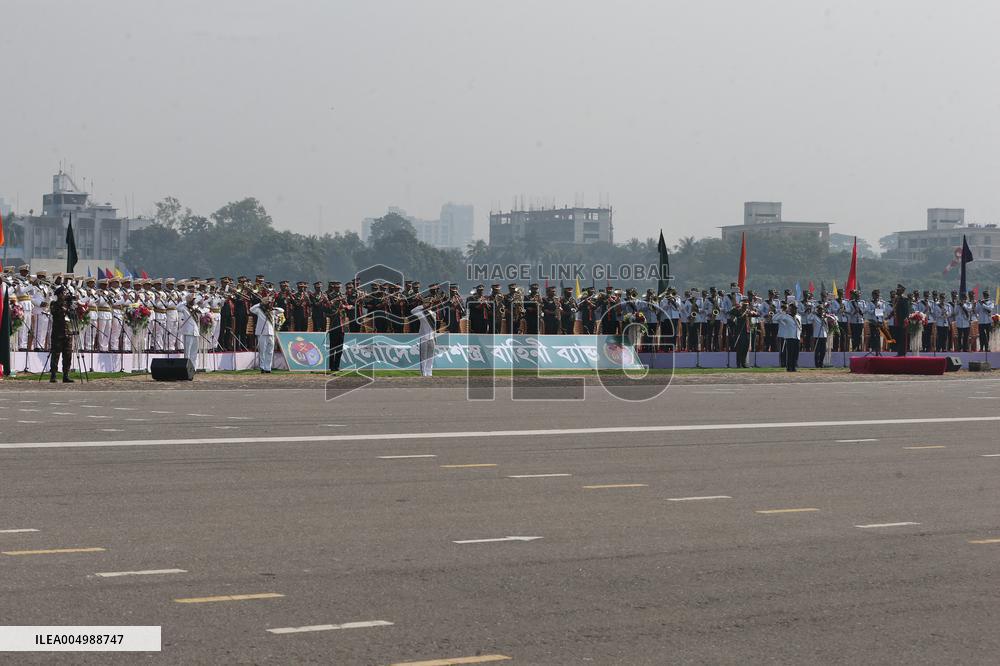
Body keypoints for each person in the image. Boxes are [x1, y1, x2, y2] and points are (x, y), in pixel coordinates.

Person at [48, 286, 74, 383]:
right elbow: (56, 313)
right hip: (57, 333)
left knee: (68, 355)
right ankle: (53, 375)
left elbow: (72, 316)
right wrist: (65, 307)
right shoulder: (54, 304)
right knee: (56, 355)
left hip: (68, 333)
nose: (65, 295)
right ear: (59, 295)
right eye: (63, 293)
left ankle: (66, 375)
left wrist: (71, 306)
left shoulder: (68, 305)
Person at [249, 297, 283, 373]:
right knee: (262, 351)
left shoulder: (273, 312)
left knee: (270, 351)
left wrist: (273, 308)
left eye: (270, 303)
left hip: (271, 333)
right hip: (262, 333)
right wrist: (260, 303)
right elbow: (251, 309)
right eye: (269, 303)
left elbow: (282, 310)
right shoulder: (259, 310)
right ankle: (262, 367)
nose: (270, 304)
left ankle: (268, 368)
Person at [773, 302, 802, 372]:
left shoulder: (798, 317)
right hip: (790, 337)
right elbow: (774, 318)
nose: (795, 310)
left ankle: (794, 366)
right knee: (790, 353)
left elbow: (800, 327)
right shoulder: (786, 316)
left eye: (796, 309)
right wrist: (782, 312)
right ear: (790, 309)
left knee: (796, 353)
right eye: (793, 309)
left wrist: (800, 335)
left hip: (797, 337)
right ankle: (789, 367)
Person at [175, 295, 203, 366]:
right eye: (192, 300)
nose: (193, 301)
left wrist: (200, 303)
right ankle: (186, 367)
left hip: (196, 332)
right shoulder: (184, 308)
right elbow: (177, 307)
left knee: (194, 352)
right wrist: (185, 300)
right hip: (188, 332)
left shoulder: (195, 307)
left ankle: (193, 367)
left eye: (193, 300)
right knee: (187, 352)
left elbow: (203, 311)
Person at [412, 304, 437, 377]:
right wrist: (422, 306)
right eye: (428, 303)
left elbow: (434, 327)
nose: (430, 305)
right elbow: (412, 311)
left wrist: (435, 337)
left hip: (431, 337)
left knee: (430, 356)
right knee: (423, 357)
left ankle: (429, 372)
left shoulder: (433, 313)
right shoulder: (421, 313)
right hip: (423, 338)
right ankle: (423, 373)